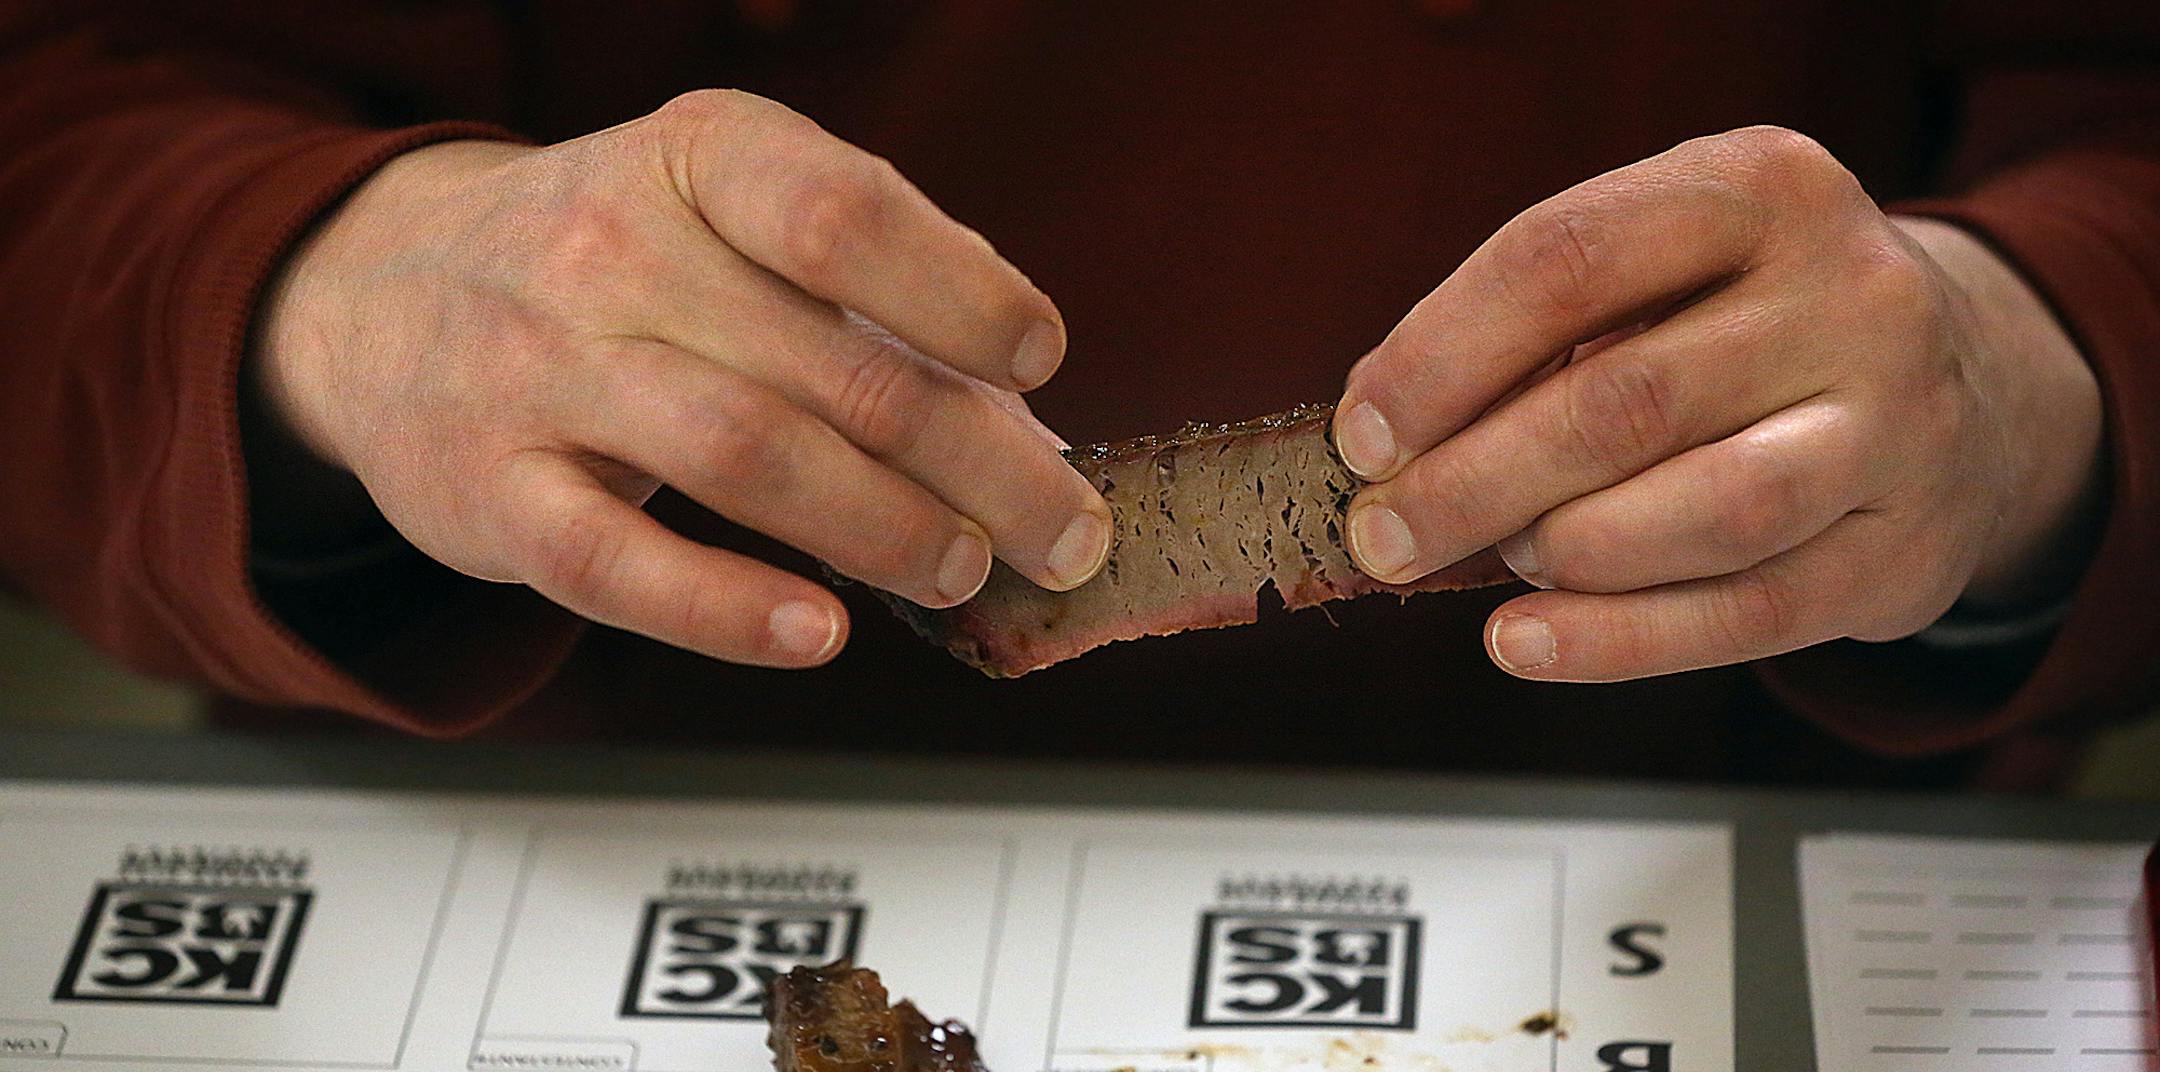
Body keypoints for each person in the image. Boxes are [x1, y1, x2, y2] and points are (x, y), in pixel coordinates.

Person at [1, 1, 2154, 787]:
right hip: (542, 860)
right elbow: (56, 139)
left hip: (1723, 850)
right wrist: (324, 288)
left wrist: (2021, 368)